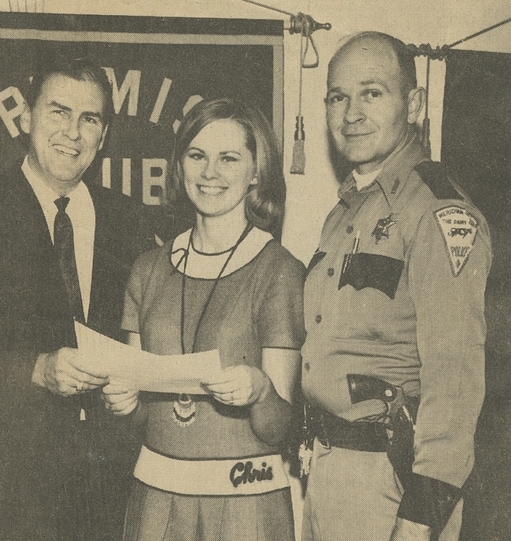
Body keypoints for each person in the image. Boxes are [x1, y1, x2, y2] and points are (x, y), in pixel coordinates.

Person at [0, 56, 155, 540]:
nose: (73, 132)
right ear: (26, 118)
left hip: (104, 500)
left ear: (104, 136)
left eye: (90, 119)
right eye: (58, 112)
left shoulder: (130, 223)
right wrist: (36, 369)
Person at [301, 32, 492, 541]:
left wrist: (420, 520)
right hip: (328, 469)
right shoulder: (347, 211)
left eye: (372, 93)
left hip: (390, 479)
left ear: (414, 104)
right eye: (337, 97)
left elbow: (456, 383)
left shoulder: (436, 211)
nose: (351, 114)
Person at [104, 97, 305, 541]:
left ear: (256, 171)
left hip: (245, 506)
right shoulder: (147, 268)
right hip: (156, 498)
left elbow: (279, 427)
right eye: (197, 155)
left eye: (228, 158)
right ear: (180, 167)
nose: (210, 172)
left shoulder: (279, 271)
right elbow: (140, 419)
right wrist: (124, 402)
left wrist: (261, 391)